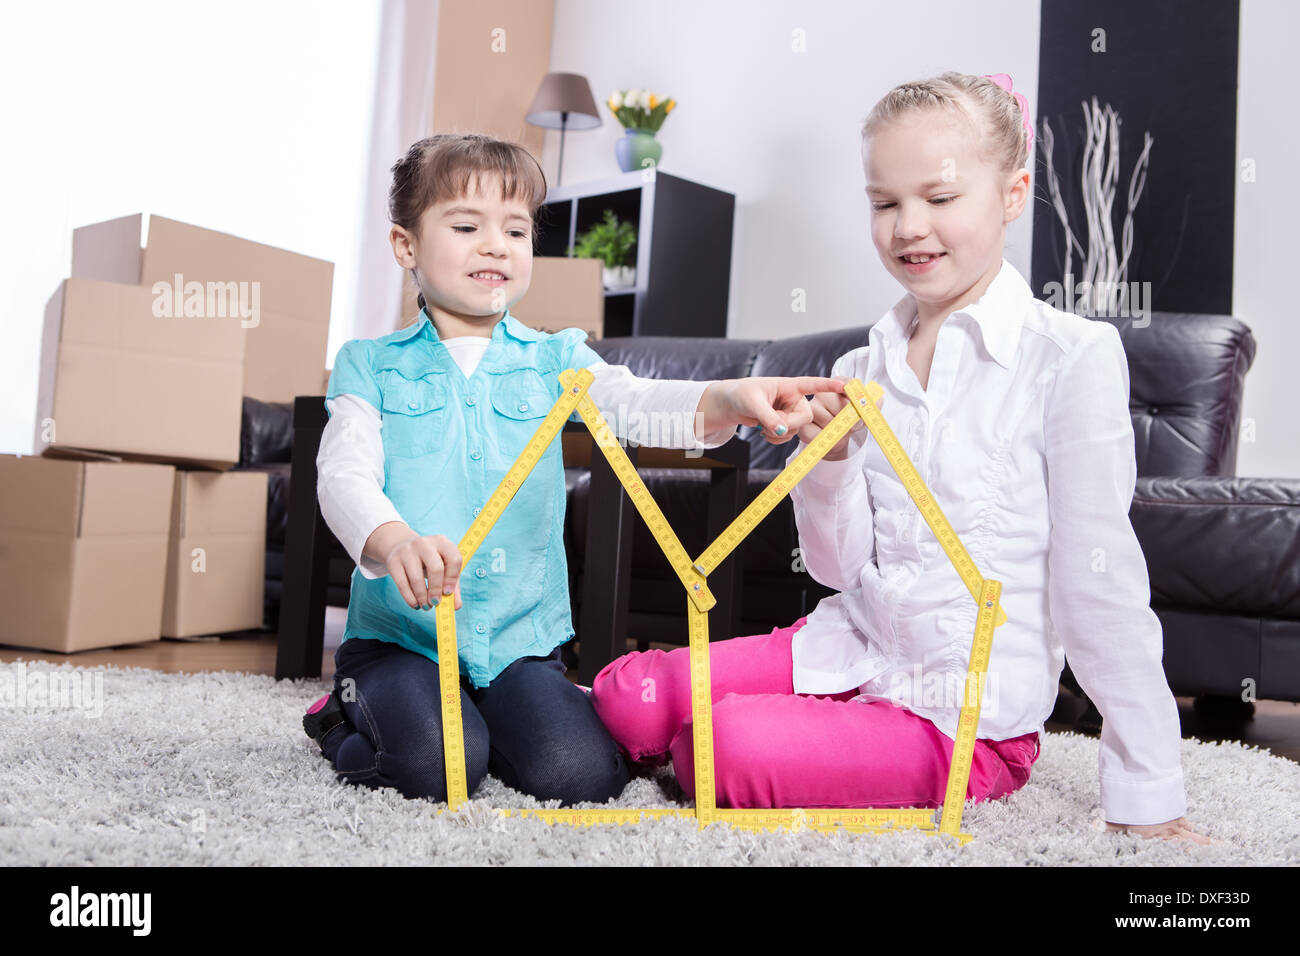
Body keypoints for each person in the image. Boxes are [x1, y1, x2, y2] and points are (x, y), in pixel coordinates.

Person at [590, 72, 1212, 843]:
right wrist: (833, 462)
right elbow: (834, 570)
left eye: (941, 199)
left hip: (961, 718)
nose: (909, 227)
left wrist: (1149, 793)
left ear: (1012, 194)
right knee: (628, 693)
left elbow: (1102, 585)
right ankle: (802, 729)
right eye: (884, 203)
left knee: (721, 746)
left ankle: (797, 740)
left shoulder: (1070, 357)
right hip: (850, 646)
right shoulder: (860, 370)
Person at [301, 132, 845, 807]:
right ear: (406, 245)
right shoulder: (368, 363)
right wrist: (392, 539)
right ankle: (337, 716)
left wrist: (729, 398)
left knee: (579, 776)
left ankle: (483, 724)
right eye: (467, 225)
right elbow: (343, 474)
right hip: (401, 643)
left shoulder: (557, 358)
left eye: (516, 229)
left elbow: (636, 406)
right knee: (437, 769)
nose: (496, 245)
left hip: (516, 646)